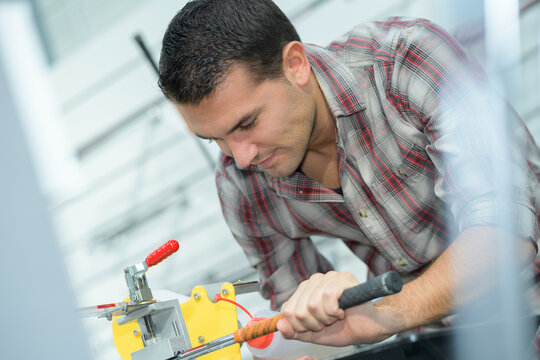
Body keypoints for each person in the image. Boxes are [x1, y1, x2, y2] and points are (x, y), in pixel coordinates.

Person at [158, 0, 540, 353]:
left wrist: (388, 312)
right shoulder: (241, 188)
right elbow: (300, 325)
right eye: (216, 140)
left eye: (247, 123)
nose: (241, 157)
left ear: (295, 65)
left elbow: (506, 232)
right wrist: (306, 328)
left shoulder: (404, 63)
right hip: (437, 342)